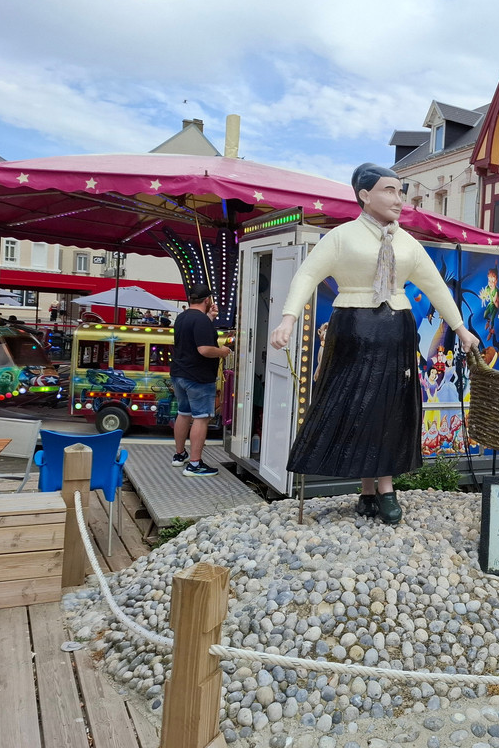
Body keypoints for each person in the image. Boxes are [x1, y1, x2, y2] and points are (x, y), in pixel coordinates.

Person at [270, 163, 479, 526]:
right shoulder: (341, 237)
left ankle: (384, 489)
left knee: (389, 408)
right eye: (389, 190)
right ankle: (366, 489)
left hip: (395, 329)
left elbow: (434, 286)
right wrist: (288, 317)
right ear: (365, 195)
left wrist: (460, 328)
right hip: (351, 327)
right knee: (356, 405)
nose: (399, 199)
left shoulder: (406, 242)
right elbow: (307, 273)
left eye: (401, 191)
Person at [170, 284, 233, 477]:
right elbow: (204, 349)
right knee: (201, 418)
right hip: (198, 377)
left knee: (183, 413)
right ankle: (195, 465)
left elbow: (194, 333)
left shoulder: (182, 317)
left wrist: (210, 318)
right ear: (207, 300)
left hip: (179, 373)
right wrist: (223, 352)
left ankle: (179, 455)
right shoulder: (201, 322)